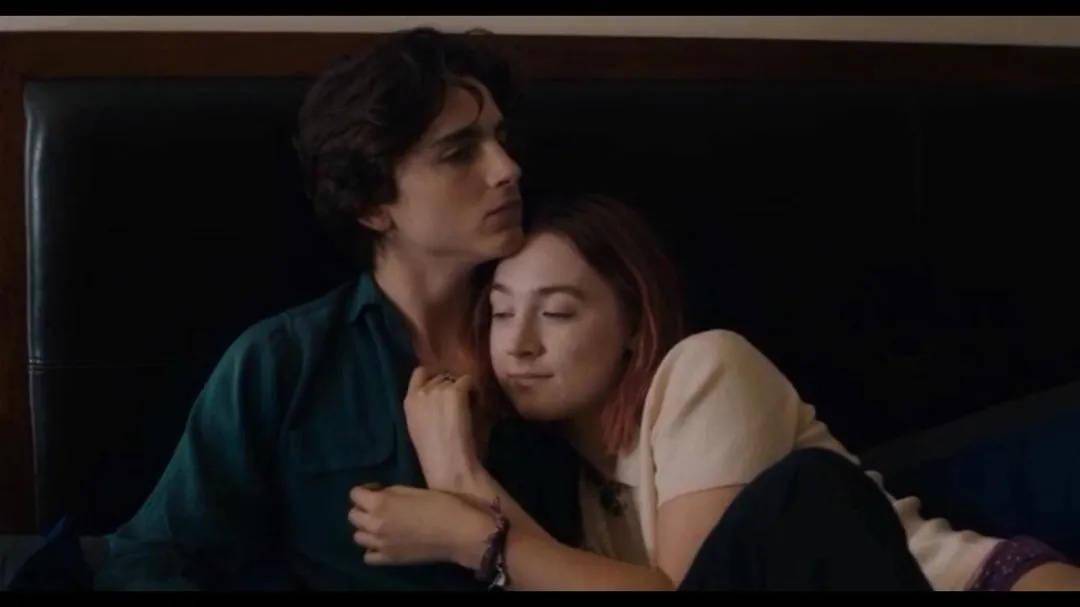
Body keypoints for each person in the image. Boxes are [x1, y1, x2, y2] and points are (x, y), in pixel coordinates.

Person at [348, 194, 1080, 591]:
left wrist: (463, 499)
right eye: (502, 312)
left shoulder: (705, 369)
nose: (520, 343)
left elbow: (687, 591)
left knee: (804, 489)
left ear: (634, 325)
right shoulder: (565, 480)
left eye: (558, 312)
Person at [92, 28, 581, 590]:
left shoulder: (568, 335)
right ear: (372, 204)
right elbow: (151, 559)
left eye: (500, 138)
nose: (506, 168)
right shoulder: (284, 362)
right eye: (459, 152)